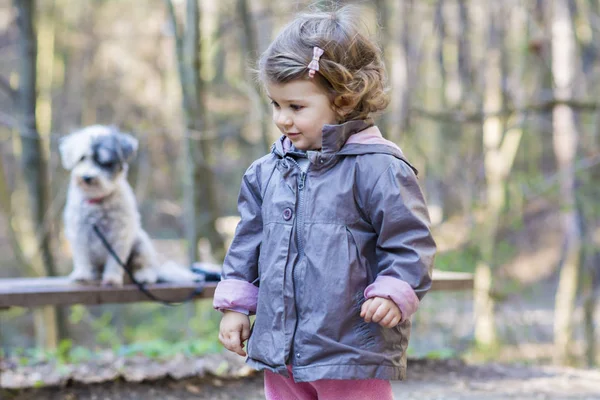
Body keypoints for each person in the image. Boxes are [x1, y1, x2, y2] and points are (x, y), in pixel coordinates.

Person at [213, 5, 436, 399]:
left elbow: (409, 241)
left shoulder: (377, 168)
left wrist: (393, 291)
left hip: (350, 347)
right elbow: (247, 244)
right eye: (276, 105)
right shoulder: (266, 172)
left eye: (296, 107)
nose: (283, 119)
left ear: (345, 100)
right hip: (279, 346)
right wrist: (235, 306)